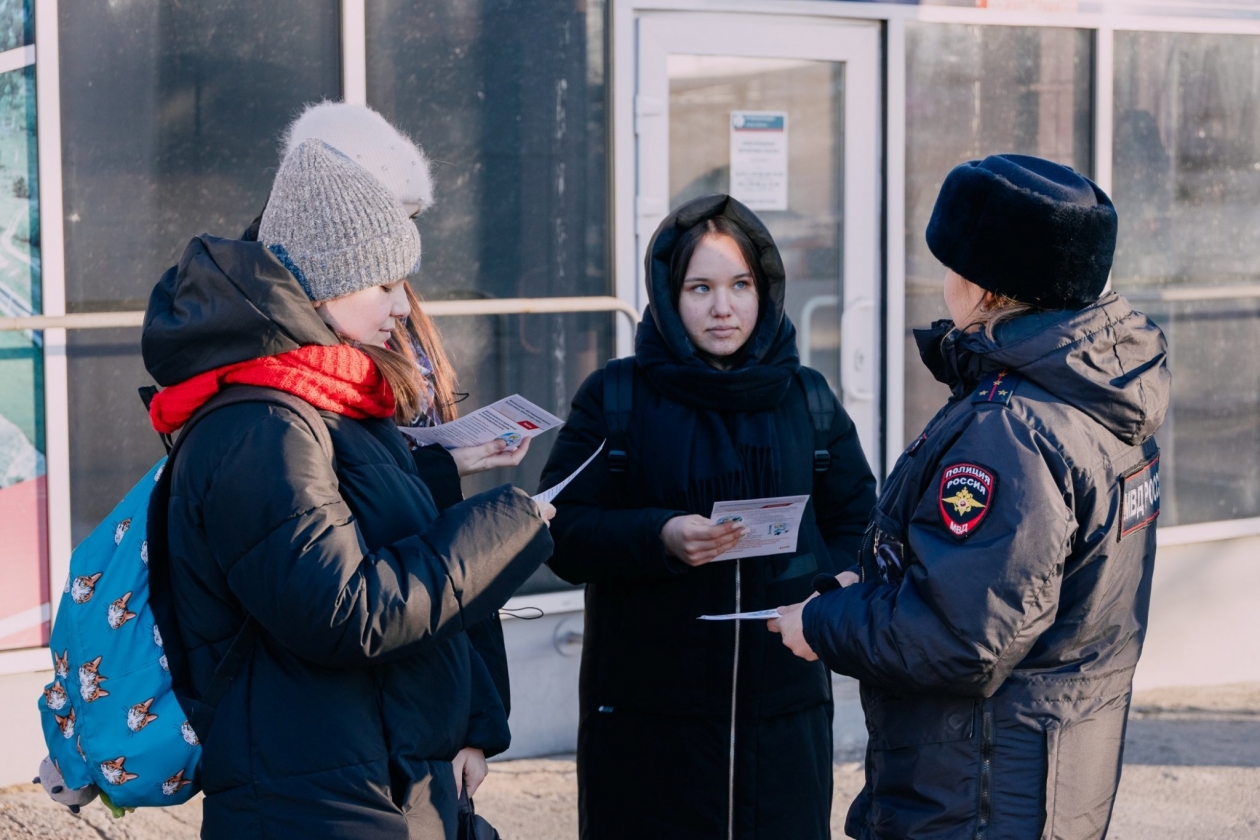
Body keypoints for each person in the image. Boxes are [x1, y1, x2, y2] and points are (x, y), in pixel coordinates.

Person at [142, 137, 555, 839]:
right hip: (319, 801)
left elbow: (364, 536)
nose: (403, 308)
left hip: (372, 780)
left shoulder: (327, 400)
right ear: (325, 285)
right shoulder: (261, 424)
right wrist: (510, 526)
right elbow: (345, 611)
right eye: (385, 285)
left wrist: (467, 727)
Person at [769, 154, 1170, 840]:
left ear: (986, 289)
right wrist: (874, 581)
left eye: (951, 263)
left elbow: (961, 639)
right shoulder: (1098, 390)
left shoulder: (1012, 430)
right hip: (1042, 782)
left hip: (974, 798)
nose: (943, 280)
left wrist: (820, 623)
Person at [539, 194, 877, 840]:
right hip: (649, 729)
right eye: (701, 288)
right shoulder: (616, 397)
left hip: (783, 724)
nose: (724, 308)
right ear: (669, 297)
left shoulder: (807, 398)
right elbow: (560, 529)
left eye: (740, 285)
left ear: (765, 290)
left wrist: (829, 591)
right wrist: (659, 535)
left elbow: (859, 522)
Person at [255, 101, 527, 717]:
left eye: (410, 219)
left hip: (413, 647)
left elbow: (387, 495)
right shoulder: (282, 384)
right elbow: (347, 587)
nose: (401, 300)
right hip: (368, 681)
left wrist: (448, 462)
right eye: (387, 214)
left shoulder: (375, 314)